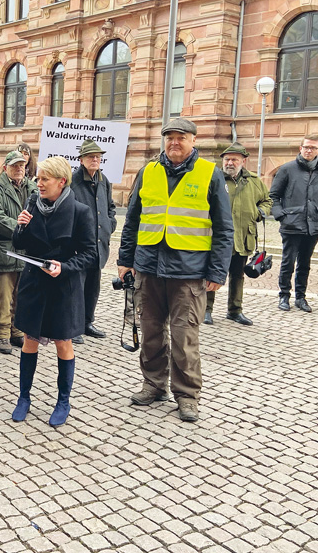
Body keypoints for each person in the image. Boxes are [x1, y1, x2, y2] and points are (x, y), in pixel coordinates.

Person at [117, 118, 233, 423]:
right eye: (169, 138)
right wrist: (125, 259)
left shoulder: (210, 174)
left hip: (189, 272)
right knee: (152, 332)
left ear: (194, 141)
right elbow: (132, 220)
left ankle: (187, 396)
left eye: (181, 137)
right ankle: (154, 385)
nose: (174, 143)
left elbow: (223, 228)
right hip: (148, 267)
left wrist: (217, 272)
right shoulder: (148, 171)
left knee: (184, 337)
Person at [11, 156, 97, 427]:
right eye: (38, 179)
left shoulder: (80, 212)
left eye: (44, 179)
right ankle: (24, 397)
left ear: (61, 181)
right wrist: (20, 226)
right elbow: (20, 244)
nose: (39, 184)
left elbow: (90, 254)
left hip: (63, 286)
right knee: (30, 339)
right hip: (34, 284)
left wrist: (65, 267)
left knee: (63, 342)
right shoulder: (31, 205)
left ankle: (63, 400)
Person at [204, 142, 272, 326]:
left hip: (243, 236)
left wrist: (260, 212)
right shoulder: (214, 179)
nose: (229, 163)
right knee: (212, 273)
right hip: (216, 237)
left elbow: (267, 200)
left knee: (238, 275)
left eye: (234, 159)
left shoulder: (254, 181)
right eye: (226, 159)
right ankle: (205, 310)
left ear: (243, 161)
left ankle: (235, 311)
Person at [269, 135, 318, 313]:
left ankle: (300, 297)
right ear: (300, 148)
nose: (308, 150)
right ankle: (284, 296)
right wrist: (281, 216)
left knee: (305, 262)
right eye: (306, 147)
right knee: (288, 262)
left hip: (314, 224)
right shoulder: (287, 169)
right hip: (292, 223)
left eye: (312, 148)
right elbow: (274, 196)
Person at [0, 150, 37, 354]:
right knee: (4, 297)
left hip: (25, 253)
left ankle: (16, 331)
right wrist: (20, 226)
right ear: (5, 168)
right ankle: (1, 333)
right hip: (4, 252)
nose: (19, 169)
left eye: (22, 165)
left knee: (21, 296)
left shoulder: (32, 188)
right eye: (14, 166)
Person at [70, 139, 117, 341]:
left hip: (99, 243)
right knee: (77, 287)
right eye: (90, 157)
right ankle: (74, 327)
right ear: (81, 160)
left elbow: (111, 207)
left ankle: (88, 322)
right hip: (80, 245)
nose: (95, 160)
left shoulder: (104, 180)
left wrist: (109, 225)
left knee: (93, 286)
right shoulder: (72, 181)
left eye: (97, 157)